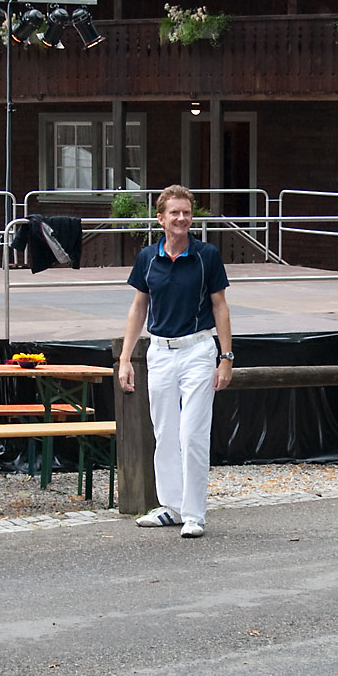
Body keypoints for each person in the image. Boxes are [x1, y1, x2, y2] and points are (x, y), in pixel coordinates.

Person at [118, 185, 233, 539]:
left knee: (192, 433)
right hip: (160, 351)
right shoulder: (147, 257)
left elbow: (220, 307)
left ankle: (194, 513)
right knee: (165, 432)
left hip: (198, 349)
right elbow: (139, 307)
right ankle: (171, 506)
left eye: (186, 212)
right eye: (175, 213)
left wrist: (226, 357)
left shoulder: (206, 255)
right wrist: (125, 357)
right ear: (161, 218)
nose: (181, 218)